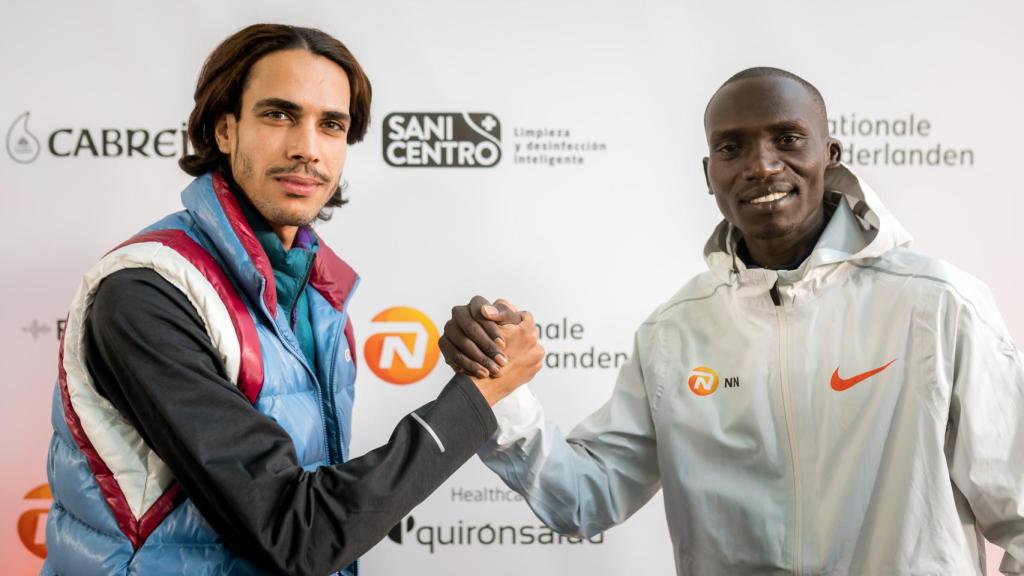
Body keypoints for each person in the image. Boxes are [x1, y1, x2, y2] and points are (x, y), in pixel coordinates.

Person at [440, 68, 1024, 575]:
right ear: (709, 171)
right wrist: (499, 386)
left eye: (789, 139)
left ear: (830, 154)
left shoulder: (938, 303)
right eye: (732, 148)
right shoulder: (675, 333)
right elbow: (583, 500)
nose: (762, 166)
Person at [44, 24, 543, 576]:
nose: (307, 148)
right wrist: (479, 394)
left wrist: (479, 360)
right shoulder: (146, 293)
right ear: (225, 129)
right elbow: (296, 531)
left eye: (331, 125)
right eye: (279, 115)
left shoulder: (317, 293)